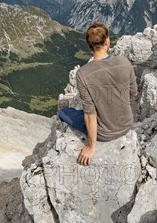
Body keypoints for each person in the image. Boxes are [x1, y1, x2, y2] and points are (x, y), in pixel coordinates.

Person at [58, 22, 138, 166]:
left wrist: (91, 146)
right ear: (107, 41)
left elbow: (90, 113)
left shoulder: (83, 74)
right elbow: (133, 93)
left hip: (104, 134)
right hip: (126, 124)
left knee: (64, 112)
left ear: (89, 46)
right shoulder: (124, 62)